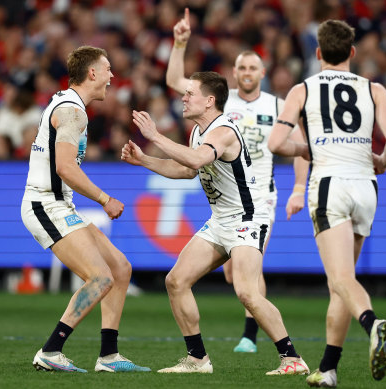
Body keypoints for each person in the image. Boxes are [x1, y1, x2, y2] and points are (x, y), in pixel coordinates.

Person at [122, 71, 310, 375]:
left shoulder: (223, 131)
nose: (183, 97)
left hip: (247, 219)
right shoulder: (199, 131)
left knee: (247, 293)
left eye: (190, 93)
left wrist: (155, 136)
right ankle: (198, 359)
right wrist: (144, 160)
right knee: (176, 281)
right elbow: (186, 171)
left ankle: (292, 359)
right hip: (221, 220)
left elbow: (196, 161)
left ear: (210, 101)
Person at [267, 20, 386, 387]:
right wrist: (382, 161)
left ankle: (371, 323)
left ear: (317, 54)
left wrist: (307, 148)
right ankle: (328, 369)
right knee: (341, 284)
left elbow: (277, 143)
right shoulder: (373, 88)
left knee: (341, 279)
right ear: (353, 53)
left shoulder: (303, 89)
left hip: (330, 184)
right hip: (366, 185)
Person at [166, 7, 310, 353]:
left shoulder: (277, 106)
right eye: (241, 67)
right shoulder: (220, 105)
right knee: (233, 276)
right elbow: (174, 83)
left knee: (245, 278)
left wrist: (300, 190)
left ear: (263, 72)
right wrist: (179, 43)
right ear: (234, 73)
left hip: (260, 199)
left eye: (252, 67)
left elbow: (300, 148)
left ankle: (254, 337)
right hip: (226, 201)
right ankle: (244, 336)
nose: (247, 72)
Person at [21, 46, 149, 373]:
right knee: (101, 276)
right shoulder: (73, 112)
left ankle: (109, 356)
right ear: (92, 73)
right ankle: (51, 350)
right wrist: (105, 199)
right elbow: (65, 167)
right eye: (107, 69)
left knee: (120, 268)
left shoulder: (69, 105)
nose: (112, 76)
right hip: (45, 205)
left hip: (59, 204)